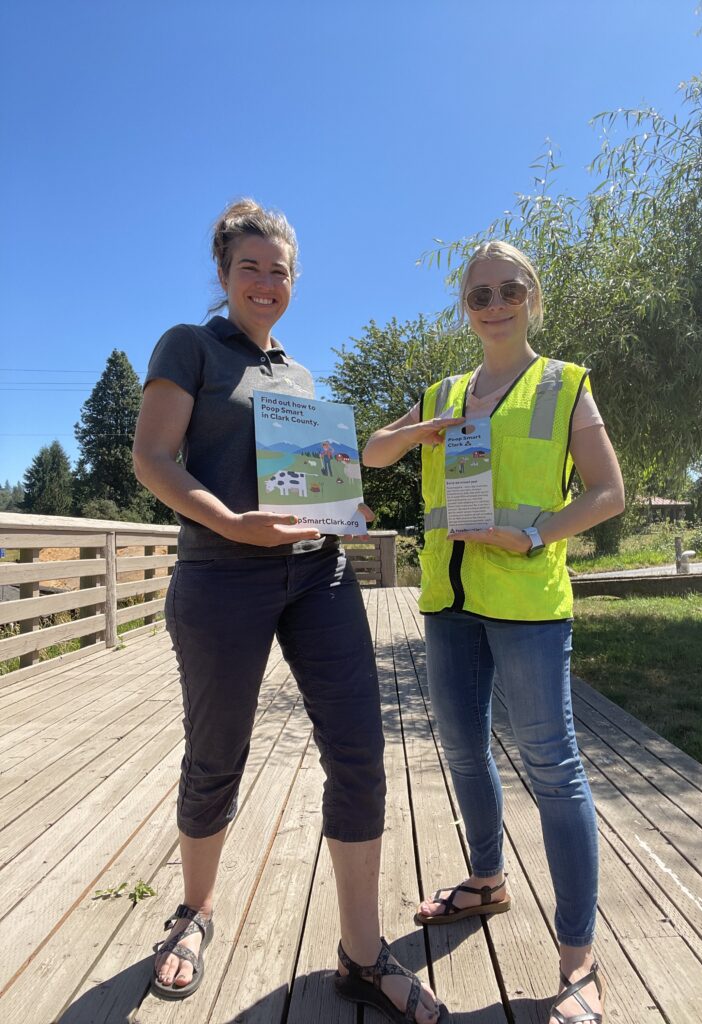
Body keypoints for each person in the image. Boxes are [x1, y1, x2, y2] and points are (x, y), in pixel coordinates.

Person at [133, 198, 443, 1023]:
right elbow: (152, 457)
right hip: (220, 578)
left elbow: (316, 486)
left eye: (279, 271)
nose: (266, 283)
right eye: (250, 268)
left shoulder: (300, 379)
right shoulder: (189, 347)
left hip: (319, 577)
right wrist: (233, 522)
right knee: (217, 755)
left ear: (294, 281)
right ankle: (194, 911)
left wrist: (346, 509)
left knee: (360, 753)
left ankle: (362, 953)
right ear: (225, 275)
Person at [363, 240, 625, 1024]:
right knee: (463, 752)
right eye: (480, 295)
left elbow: (609, 493)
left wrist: (537, 535)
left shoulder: (563, 384)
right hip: (448, 601)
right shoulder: (446, 391)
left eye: (510, 289)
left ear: (532, 296)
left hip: (530, 603)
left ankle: (577, 961)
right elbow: (373, 456)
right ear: (465, 310)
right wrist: (421, 432)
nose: (496, 304)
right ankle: (486, 882)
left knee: (554, 769)